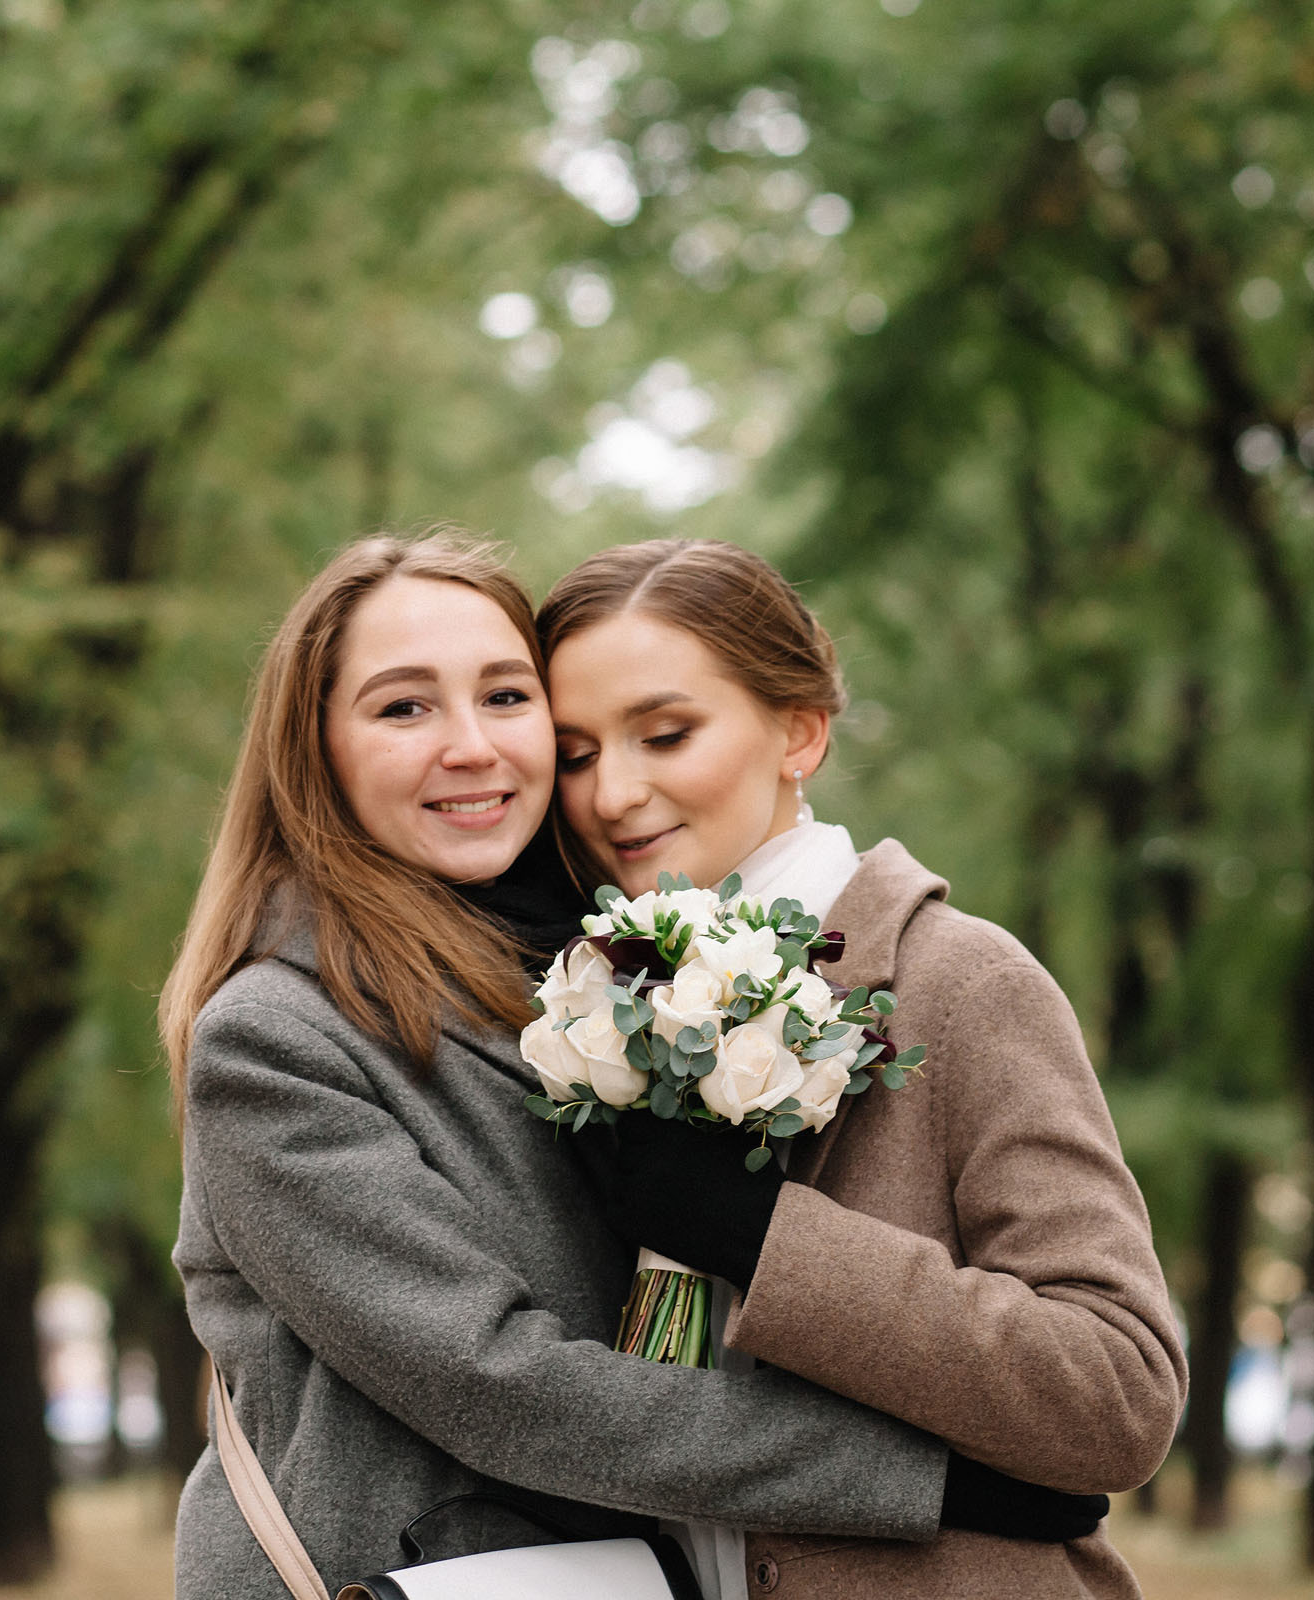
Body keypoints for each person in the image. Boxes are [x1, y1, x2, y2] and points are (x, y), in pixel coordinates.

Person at [163, 533, 1101, 1600]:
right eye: (403, 707)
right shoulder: (279, 1038)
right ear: (314, 753)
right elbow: (497, 1379)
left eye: (508, 699)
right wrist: (920, 1478)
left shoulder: (606, 982)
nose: (471, 745)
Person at [540, 537, 1187, 1599]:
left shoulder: (963, 982)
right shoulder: (580, 1012)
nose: (613, 792)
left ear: (800, 730)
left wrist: (761, 1238)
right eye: (574, 754)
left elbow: (1120, 1394)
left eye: (666, 732)